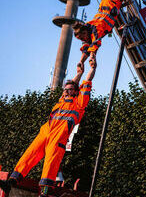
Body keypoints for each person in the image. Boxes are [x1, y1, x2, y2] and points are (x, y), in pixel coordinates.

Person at [0, 60, 97, 197]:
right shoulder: (61, 100)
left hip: (58, 137)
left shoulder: (79, 104)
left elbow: (87, 82)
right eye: (65, 89)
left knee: (50, 165)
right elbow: (72, 84)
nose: (66, 91)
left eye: (69, 89)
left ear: (75, 92)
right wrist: (78, 73)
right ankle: (11, 182)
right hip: (45, 131)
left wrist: (92, 69)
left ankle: (44, 193)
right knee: (28, 155)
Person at [72, 0, 126, 67]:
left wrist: (92, 55)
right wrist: (81, 62)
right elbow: (86, 48)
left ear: (85, 33)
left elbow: (95, 43)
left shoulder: (96, 28)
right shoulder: (88, 30)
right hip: (105, 2)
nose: (83, 40)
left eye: (82, 38)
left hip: (111, 2)